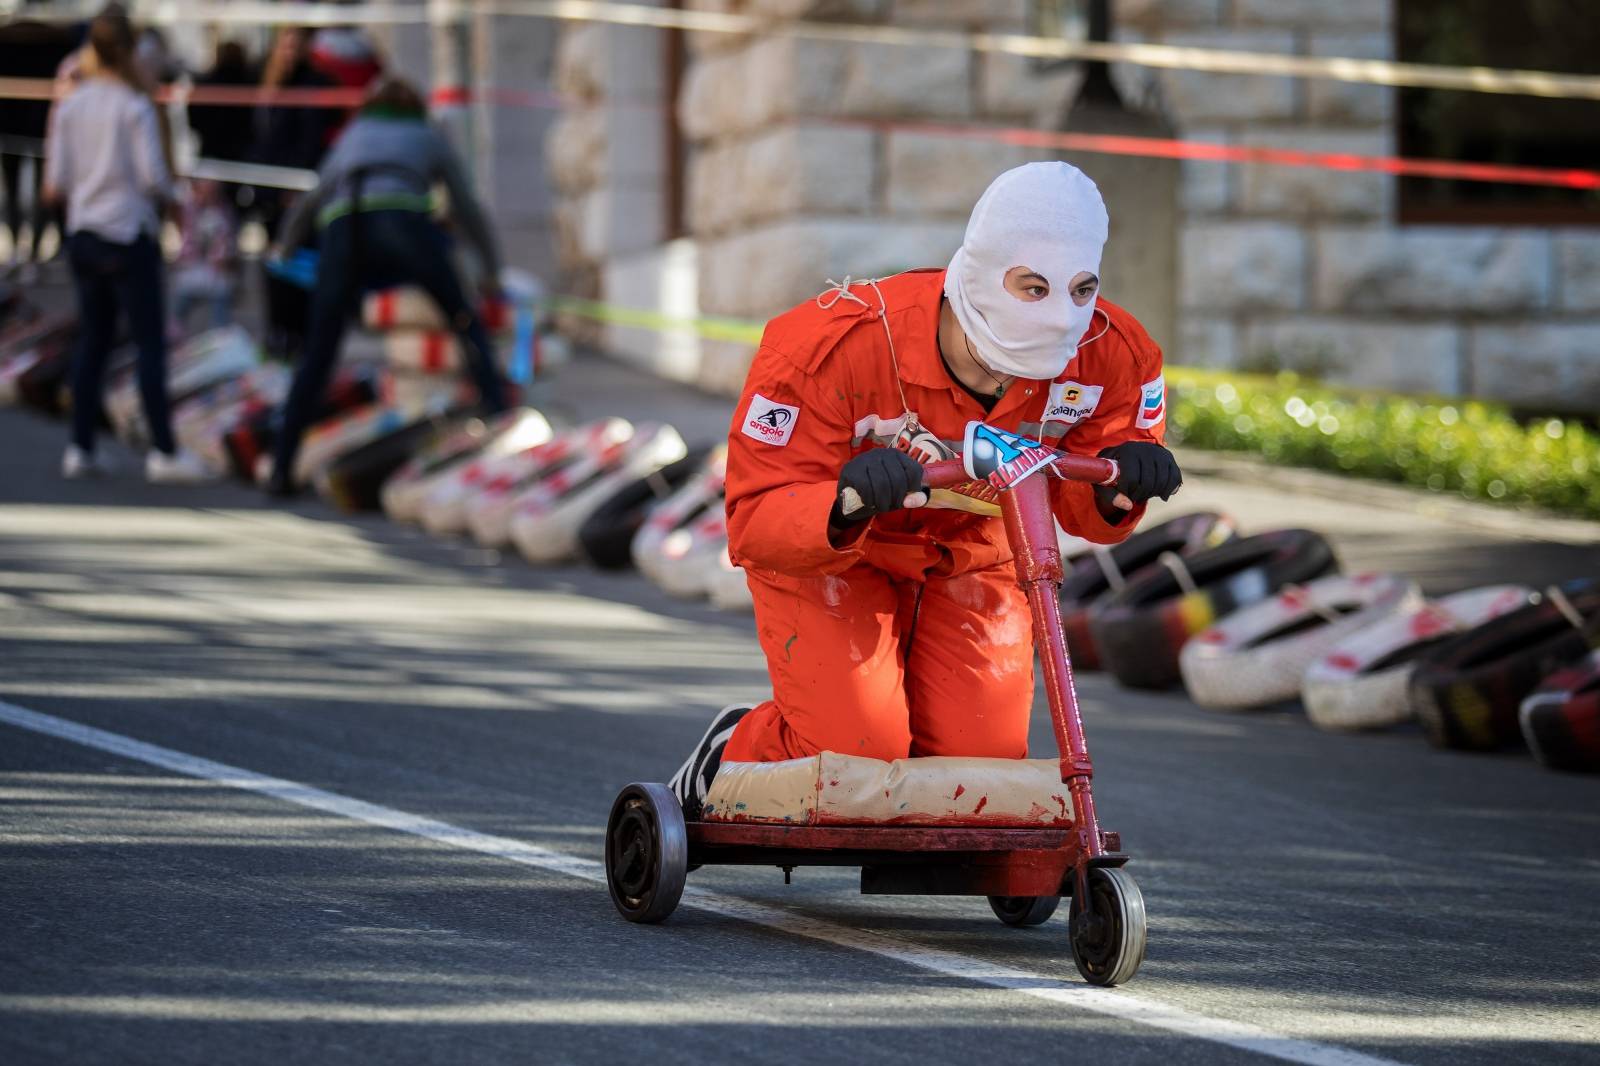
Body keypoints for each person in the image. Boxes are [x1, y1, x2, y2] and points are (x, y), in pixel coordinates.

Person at [668, 162, 1183, 814]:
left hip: (977, 553)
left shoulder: (1117, 354)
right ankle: (728, 754)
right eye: (1033, 288)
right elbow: (754, 517)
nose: (1062, 316)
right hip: (842, 555)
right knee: (857, 758)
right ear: (976, 274)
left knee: (982, 774)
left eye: (1083, 290)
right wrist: (847, 499)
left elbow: (1088, 505)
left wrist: (1123, 484)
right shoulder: (830, 344)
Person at [263, 77, 509, 496]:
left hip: (343, 228)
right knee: (463, 318)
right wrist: (490, 271)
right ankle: (502, 422)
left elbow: (313, 198)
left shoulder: (353, 135)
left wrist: (284, 248)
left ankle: (282, 466)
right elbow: (466, 205)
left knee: (319, 351)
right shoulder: (426, 134)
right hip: (403, 223)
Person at [42, 5, 209, 483]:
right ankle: (162, 448)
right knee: (149, 341)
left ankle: (80, 444)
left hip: (84, 231)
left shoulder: (72, 105)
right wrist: (177, 198)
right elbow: (152, 176)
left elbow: (55, 182)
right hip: (128, 231)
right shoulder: (134, 106)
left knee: (92, 339)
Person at [169, 178, 238, 335]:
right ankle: (175, 331)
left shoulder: (223, 213)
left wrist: (221, 260)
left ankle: (220, 335)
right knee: (181, 297)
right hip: (192, 268)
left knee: (221, 291)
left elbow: (226, 247)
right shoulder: (190, 210)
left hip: (215, 271)